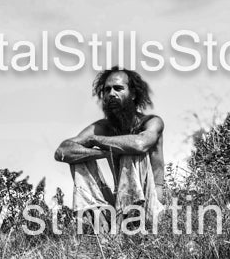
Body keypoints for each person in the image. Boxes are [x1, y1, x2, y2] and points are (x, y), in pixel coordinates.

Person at [54, 67, 165, 232]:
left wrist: (95, 140)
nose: (111, 94)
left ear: (133, 94)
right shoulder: (104, 127)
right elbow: (62, 151)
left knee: (130, 150)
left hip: (151, 207)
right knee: (78, 158)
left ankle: (123, 228)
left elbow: (140, 144)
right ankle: (102, 229)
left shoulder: (151, 122)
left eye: (118, 88)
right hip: (119, 204)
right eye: (107, 90)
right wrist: (104, 153)